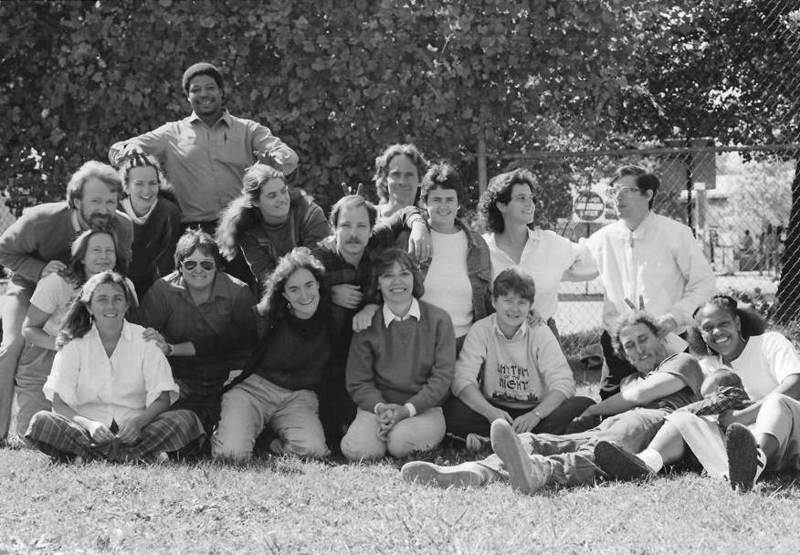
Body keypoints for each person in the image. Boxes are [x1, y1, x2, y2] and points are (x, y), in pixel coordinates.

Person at [400, 311, 703, 494]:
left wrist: (593, 409)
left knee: (598, 453)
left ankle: (542, 472)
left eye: (643, 339)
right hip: (614, 426)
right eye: (630, 346)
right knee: (534, 441)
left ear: (660, 337)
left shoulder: (682, 361)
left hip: (653, 422)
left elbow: (641, 395)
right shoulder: (630, 379)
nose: (638, 349)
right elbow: (630, 394)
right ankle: (477, 471)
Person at [594, 295, 800, 492]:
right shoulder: (708, 366)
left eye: (723, 323)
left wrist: (742, 416)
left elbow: (795, 384)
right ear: (700, 334)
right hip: (738, 445)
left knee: (776, 401)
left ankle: (753, 465)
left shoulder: (768, 342)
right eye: (708, 328)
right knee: (683, 417)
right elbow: (668, 368)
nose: (717, 332)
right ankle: (646, 463)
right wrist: (646, 329)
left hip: (788, 434)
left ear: (737, 323)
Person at [0, 160, 133, 442]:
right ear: (76, 200)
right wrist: (39, 269)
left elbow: (121, 268)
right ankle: (1, 431)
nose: (104, 209)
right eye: (96, 201)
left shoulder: (122, 225)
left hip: (86, 292)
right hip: (30, 285)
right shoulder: (41, 220)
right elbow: (4, 251)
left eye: (111, 201)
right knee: (12, 344)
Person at [24, 271, 204, 463]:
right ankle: (142, 455)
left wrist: (138, 424)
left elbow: (162, 398)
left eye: (117, 299)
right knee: (41, 421)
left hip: (138, 431)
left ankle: (85, 456)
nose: (110, 306)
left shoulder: (145, 339)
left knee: (187, 420)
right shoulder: (73, 343)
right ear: (89, 306)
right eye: (102, 299)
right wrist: (90, 425)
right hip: (86, 431)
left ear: (126, 305)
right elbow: (59, 403)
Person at [108, 62, 298, 233]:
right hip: (195, 234)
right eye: (196, 90)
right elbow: (120, 148)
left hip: (245, 227)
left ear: (221, 92)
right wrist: (130, 150)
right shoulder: (171, 133)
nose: (204, 94)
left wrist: (276, 163)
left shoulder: (248, 130)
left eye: (210, 88)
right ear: (188, 97)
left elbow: (287, 155)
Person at [311, 194, 430, 449]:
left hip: (367, 351)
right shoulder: (317, 260)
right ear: (333, 227)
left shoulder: (376, 242)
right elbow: (290, 293)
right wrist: (328, 294)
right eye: (345, 225)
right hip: (326, 357)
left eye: (361, 226)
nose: (354, 234)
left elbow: (405, 212)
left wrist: (419, 226)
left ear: (371, 228)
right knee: (330, 436)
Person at [586, 165, 715, 399]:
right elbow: (565, 267)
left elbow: (703, 284)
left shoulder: (675, 233)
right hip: (619, 343)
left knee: (670, 406)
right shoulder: (603, 238)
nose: (618, 197)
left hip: (666, 338)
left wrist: (675, 316)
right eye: (613, 191)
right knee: (612, 409)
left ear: (648, 194)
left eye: (626, 190)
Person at [444, 268, 594, 440]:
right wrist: (490, 412)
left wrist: (536, 415)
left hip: (536, 411)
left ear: (530, 305)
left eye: (522, 303)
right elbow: (462, 378)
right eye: (508, 301)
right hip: (495, 409)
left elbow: (564, 383)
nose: (514, 309)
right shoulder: (481, 329)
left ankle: (495, 438)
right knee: (451, 410)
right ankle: (525, 437)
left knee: (585, 406)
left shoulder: (540, 331)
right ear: (494, 301)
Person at [212, 248, 332, 460]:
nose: (304, 295)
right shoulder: (264, 317)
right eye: (294, 289)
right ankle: (234, 431)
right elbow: (222, 348)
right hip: (252, 390)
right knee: (231, 454)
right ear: (284, 294)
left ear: (319, 285)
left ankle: (268, 441)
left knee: (313, 451)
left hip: (298, 396)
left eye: (309, 285)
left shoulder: (332, 319)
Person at [134, 229, 257, 434]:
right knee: (161, 423)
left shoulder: (238, 292)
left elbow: (249, 344)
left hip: (226, 377)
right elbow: (141, 335)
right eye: (190, 264)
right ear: (180, 265)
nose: (198, 270)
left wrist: (234, 382)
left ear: (217, 266)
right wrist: (155, 343)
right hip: (178, 377)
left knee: (231, 428)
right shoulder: (162, 291)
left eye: (206, 264)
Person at [341, 249, 456, 460]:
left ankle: (394, 435)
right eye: (388, 275)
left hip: (424, 410)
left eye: (404, 273)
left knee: (400, 442)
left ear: (414, 277)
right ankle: (378, 433)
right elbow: (358, 381)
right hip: (378, 409)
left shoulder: (439, 320)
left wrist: (406, 410)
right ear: (377, 283)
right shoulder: (366, 323)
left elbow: (442, 378)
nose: (397, 281)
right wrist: (381, 408)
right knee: (358, 450)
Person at [15, 229, 129, 437]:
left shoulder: (123, 286)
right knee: (34, 434)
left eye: (109, 250)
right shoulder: (56, 283)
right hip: (45, 356)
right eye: (96, 250)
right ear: (82, 257)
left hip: (94, 361)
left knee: (90, 431)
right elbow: (29, 330)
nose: (104, 256)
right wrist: (64, 346)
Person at [478, 169, 594, 338]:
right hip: (497, 338)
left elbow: (593, 258)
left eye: (531, 198)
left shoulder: (551, 243)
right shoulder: (482, 249)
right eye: (521, 198)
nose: (530, 204)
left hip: (543, 337)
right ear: (501, 205)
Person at [216, 163, 330, 294]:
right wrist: (296, 260)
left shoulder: (310, 213)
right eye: (272, 195)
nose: (282, 199)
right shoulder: (248, 230)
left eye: (283, 191)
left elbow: (320, 261)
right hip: (280, 293)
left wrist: (300, 259)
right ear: (256, 202)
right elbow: (266, 278)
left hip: (319, 288)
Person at [416, 163, 493, 351]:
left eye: (450, 199)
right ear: (425, 203)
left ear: (458, 203)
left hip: (467, 344)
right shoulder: (414, 238)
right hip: (422, 344)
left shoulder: (477, 244)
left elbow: (488, 297)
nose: (443, 206)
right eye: (436, 199)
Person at [118, 151, 182, 298]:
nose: (147, 190)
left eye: (152, 183)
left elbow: (166, 264)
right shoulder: (115, 213)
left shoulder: (169, 212)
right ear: (126, 187)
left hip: (154, 287)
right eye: (139, 184)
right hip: (120, 285)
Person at [374, 144, 429, 221]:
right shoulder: (367, 217)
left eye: (409, 175)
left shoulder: (430, 222)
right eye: (396, 174)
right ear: (385, 179)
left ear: (420, 180)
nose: (402, 181)